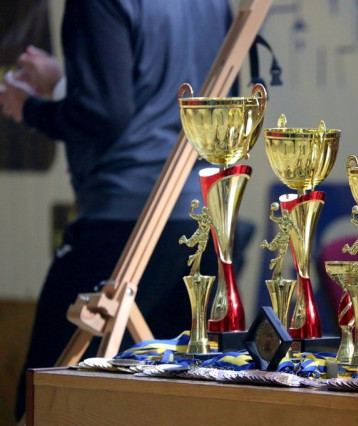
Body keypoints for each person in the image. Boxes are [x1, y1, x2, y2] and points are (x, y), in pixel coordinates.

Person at [0, 1, 255, 419]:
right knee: (171, 402)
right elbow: (188, 99)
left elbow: (104, 112)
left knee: (44, 394)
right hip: (201, 219)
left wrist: (29, 108)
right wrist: (66, 82)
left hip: (125, 221)